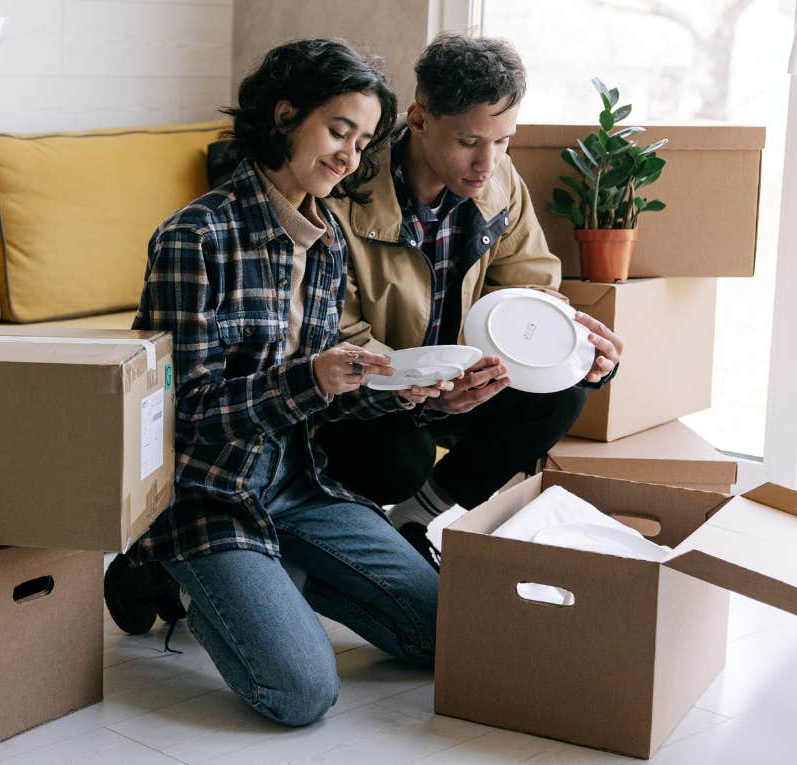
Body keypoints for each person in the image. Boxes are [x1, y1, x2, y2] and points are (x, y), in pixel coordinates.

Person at [103, 39, 449, 728]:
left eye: (363, 141)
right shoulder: (194, 237)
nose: (350, 156)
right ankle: (153, 569)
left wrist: (385, 391)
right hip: (208, 492)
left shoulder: (323, 241)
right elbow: (182, 412)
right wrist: (309, 377)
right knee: (299, 693)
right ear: (287, 115)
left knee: (445, 632)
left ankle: (276, 572)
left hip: (298, 482)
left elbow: (315, 395)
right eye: (338, 131)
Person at [314, 33, 624, 568]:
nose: (489, 162)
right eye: (470, 142)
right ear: (418, 120)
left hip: (464, 383)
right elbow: (335, 337)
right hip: (372, 394)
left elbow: (530, 291)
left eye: (504, 141)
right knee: (399, 459)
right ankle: (338, 535)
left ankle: (416, 516)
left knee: (565, 391)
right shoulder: (345, 195)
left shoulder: (500, 181)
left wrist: (572, 350)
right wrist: (426, 390)